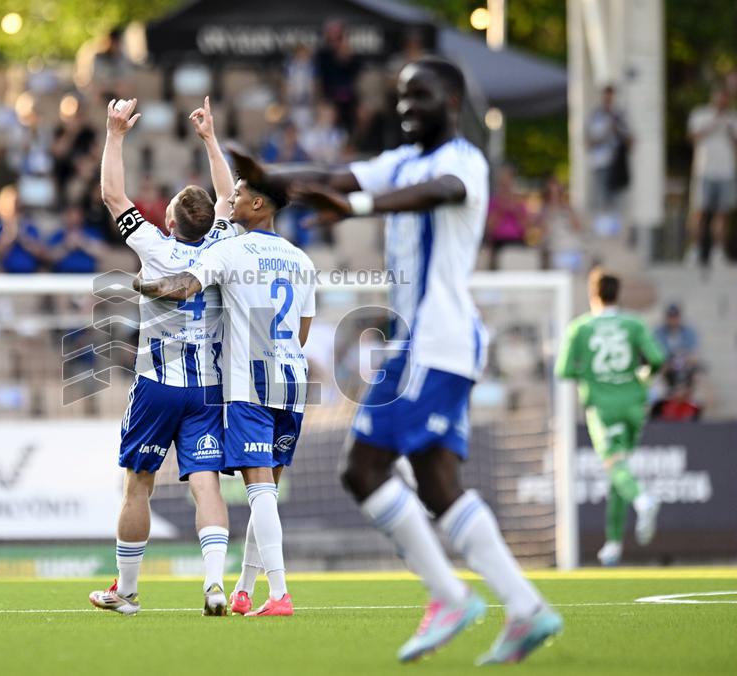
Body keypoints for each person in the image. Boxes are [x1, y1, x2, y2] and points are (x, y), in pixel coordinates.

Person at [228, 55, 561, 663]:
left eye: (421, 95)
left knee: (363, 470)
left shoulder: (461, 160)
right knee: (439, 485)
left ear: (452, 102)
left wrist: (355, 208)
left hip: (434, 340)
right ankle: (525, 608)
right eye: (402, 96)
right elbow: (335, 174)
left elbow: (440, 194)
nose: (408, 107)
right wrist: (271, 176)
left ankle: (450, 597)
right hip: (433, 341)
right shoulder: (399, 162)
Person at [135, 172, 316, 619]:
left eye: (238, 196)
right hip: (292, 378)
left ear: (259, 205)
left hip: (248, 382)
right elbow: (303, 332)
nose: (230, 201)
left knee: (259, 488)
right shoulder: (301, 259)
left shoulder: (230, 250)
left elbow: (185, 287)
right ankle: (244, 589)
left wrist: (146, 286)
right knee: (267, 490)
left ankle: (280, 593)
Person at [88, 96, 241, 617]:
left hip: (156, 384)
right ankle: (215, 585)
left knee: (138, 485)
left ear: (172, 220)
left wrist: (114, 133)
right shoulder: (222, 245)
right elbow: (227, 194)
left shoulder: (155, 246)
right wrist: (210, 139)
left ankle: (127, 593)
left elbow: (112, 194)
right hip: (206, 389)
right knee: (206, 484)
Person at [556, 268, 666, 567]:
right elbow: (657, 358)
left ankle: (643, 500)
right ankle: (614, 544)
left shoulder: (580, 327)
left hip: (603, 407)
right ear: (618, 294)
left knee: (614, 464)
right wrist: (643, 377)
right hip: (634, 403)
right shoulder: (633, 323)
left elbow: (563, 370)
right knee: (619, 468)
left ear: (593, 295)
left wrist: (590, 375)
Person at [686, 86, 737, 269]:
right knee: (699, 212)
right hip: (704, 170)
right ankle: (695, 250)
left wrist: (729, 129)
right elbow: (692, 137)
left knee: (722, 213)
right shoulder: (700, 114)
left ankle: (718, 251)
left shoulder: (733, 118)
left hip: (726, 172)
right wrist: (713, 124)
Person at [586, 86, 631, 237]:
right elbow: (589, 141)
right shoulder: (595, 116)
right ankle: (601, 234)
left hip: (617, 165)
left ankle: (615, 234)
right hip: (601, 164)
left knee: (616, 202)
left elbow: (630, 140)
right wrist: (606, 131)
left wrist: (616, 128)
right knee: (600, 200)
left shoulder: (620, 116)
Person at [485, 165, 531, 270]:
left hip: (517, 242)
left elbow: (526, 228)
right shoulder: (492, 202)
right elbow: (489, 228)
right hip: (498, 243)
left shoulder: (519, 202)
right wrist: (500, 210)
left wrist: (516, 211)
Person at [654, 304, 700, 392]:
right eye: (670, 317)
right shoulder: (659, 332)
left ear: (679, 317)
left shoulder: (689, 331)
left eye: (675, 317)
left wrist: (685, 360)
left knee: (698, 376)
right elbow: (656, 353)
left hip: (685, 368)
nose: (673, 320)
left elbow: (693, 353)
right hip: (666, 369)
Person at [47, 205, 106, 273]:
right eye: (70, 215)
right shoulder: (58, 234)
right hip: (63, 276)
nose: (74, 219)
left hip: (88, 275)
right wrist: (66, 246)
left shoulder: (92, 232)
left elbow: (102, 254)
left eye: (77, 215)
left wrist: (83, 242)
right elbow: (49, 258)